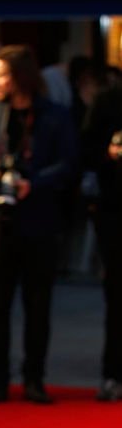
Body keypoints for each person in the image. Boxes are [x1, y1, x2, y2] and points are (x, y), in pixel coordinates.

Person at [0, 45, 78, 404]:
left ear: (21, 77)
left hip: (39, 222)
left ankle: (34, 379)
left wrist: (36, 182)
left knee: (38, 305)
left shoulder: (55, 115)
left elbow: (69, 163)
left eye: (1, 75)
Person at [82, 81, 122, 401]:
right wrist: (108, 153)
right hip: (115, 211)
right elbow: (85, 150)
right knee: (117, 297)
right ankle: (113, 374)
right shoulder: (108, 99)